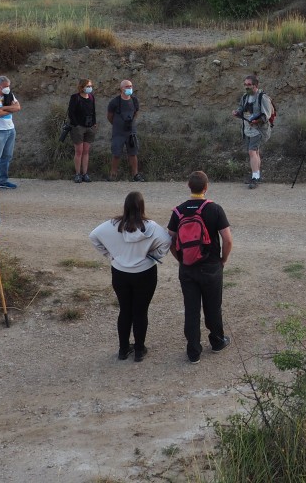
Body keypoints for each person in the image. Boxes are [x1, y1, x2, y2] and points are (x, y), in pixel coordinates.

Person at [89, 191, 172, 362]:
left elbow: (93, 236)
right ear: (142, 207)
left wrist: (110, 255)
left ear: (125, 206)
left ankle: (123, 349)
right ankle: (139, 350)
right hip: (145, 273)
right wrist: (153, 255)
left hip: (120, 273)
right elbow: (167, 242)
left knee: (125, 310)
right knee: (141, 312)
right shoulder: (152, 227)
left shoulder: (112, 225)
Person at [167, 171, 233, 364]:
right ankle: (217, 341)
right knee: (213, 306)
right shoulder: (214, 209)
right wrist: (223, 259)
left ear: (189, 186)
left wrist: (180, 259)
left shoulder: (178, 211)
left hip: (188, 267)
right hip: (211, 266)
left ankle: (193, 350)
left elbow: (170, 240)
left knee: (191, 308)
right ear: (206, 187)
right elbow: (227, 240)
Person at [232, 75, 274, 189]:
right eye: (245, 84)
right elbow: (241, 108)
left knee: (252, 151)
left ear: (255, 85)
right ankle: (257, 175)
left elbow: (267, 115)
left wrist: (257, 121)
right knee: (255, 152)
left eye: (249, 85)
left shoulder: (263, 97)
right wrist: (237, 113)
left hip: (259, 130)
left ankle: (255, 177)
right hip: (247, 129)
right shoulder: (245, 97)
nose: (246, 87)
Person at [0, 76, 21, 190]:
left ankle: (3, 180)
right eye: (5, 86)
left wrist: (3, 108)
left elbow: (18, 107)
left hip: (10, 129)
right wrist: (10, 108)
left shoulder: (10, 94)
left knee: (7, 156)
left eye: (8, 86)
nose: (7, 88)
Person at [108, 79, 142, 182]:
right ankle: (113, 174)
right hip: (118, 132)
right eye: (127, 87)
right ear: (121, 88)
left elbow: (136, 113)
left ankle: (135, 174)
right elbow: (110, 116)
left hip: (131, 132)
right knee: (116, 153)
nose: (129, 88)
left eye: (130, 86)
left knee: (133, 153)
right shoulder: (114, 102)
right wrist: (117, 124)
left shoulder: (134, 100)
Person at [68, 78, 98, 183]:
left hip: (89, 127)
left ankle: (85, 173)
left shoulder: (91, 97)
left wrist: (94, 123)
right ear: (82, 87)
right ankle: (77, 174)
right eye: (87, 86)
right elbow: (71, 112)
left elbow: (93, 111)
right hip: (78, 127)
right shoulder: (75, 98)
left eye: (90, 86)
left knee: (86, 151)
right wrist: (76, 125)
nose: (90, 88)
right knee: (79, 151)